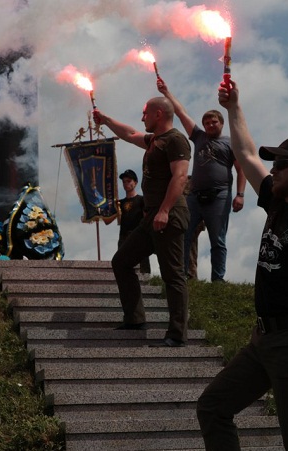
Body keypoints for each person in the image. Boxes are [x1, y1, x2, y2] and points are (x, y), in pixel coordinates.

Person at [196, 79, 288, 450]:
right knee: (213, 406)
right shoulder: (278, 201)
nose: (273, 169)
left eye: (281, 163)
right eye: (273, 163)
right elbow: (246, 154)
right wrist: (233, 108)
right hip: (263, 340)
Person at [93, 97, 191, 347]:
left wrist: (165, 211)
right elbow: (130, 133)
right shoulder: (154, 140)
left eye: (145, 113)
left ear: (158, 114)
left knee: (172, 275)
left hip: (169, 214)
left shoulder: (176, 140)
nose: (142, 117)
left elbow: (180, 177)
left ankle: (177, 334)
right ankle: (135, 318)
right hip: (152, 216)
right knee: (122, 262)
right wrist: (105, 120)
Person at [158, 78, 246, 282]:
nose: (209, 125)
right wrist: (166, 92)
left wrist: (240, 195)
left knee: (217, 239)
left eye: (213, 122)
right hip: (195, 195)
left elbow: (242, 170)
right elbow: (181, 113)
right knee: (184, 234)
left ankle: (218, 279)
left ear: (221, 123)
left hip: (220, 195)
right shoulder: (199, 137)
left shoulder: (230, 143)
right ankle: (182, 276)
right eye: (206, 123)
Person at [103, 169, 151, 274]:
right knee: (122, 264)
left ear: (135, 182)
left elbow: (147, 218)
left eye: (128, 181)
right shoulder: (119, 203)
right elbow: (107, 221)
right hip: (124, 236)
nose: (126, 184)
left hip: (139, 235)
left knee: (143, 266)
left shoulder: (141, 200)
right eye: (124, 181)